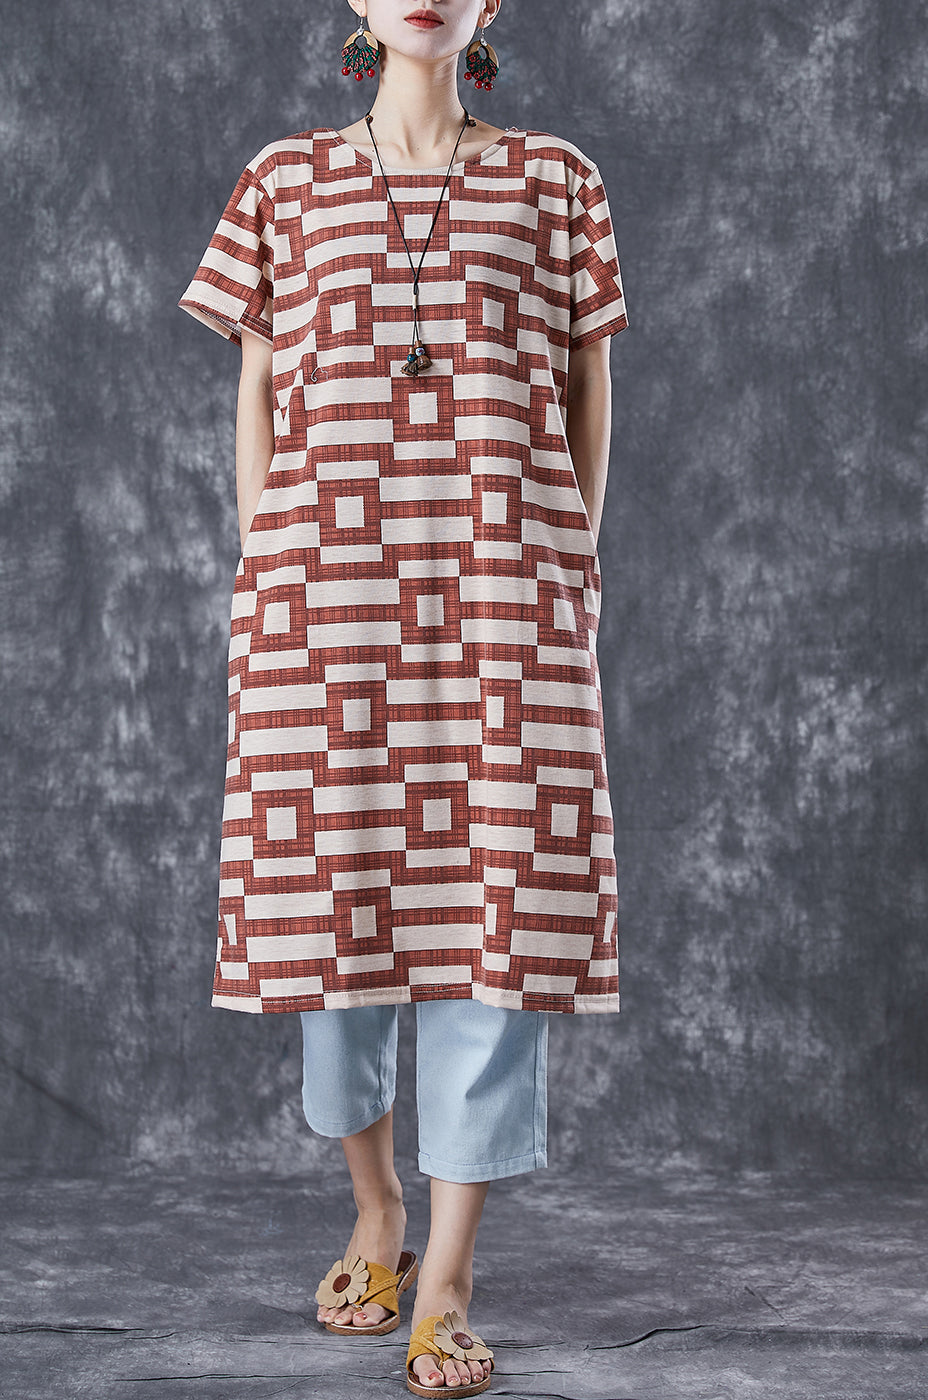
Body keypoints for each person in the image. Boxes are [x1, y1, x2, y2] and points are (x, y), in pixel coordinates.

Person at [178, 1, 629, 1392]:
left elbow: (586, 384)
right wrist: (266, 562)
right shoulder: (284, 179)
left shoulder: (557, 179)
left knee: (502, 918)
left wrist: (566, 561)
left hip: (503, 595)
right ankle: (375, 1206)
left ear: (490, 6)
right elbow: (260, 388)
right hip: (326, 599)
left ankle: (446, 1281)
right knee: (337, 917)